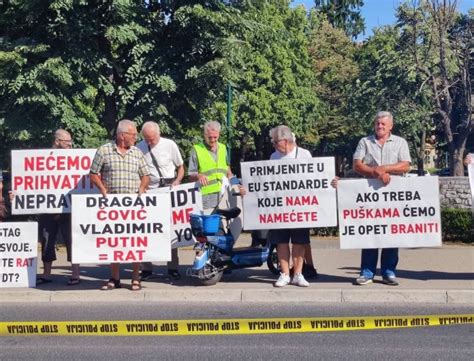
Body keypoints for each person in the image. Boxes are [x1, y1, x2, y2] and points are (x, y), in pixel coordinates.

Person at [90, 119, 150, 291]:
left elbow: (146, 174)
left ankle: (135, 277)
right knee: (114, 242)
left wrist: (142, 187)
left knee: (135, 242)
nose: (135, 137)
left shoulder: (137, 153)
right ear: (122, 135)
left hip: (133, 207)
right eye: (133, 134)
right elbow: (93, 174)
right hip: (113, 207)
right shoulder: (104, 151)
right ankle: (114, 278)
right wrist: (102, 189)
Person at [352, 111, 411, 286]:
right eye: (377, 124)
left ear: (391, 126)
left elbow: (406, 165)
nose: (380, 127)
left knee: (391, 235)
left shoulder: (400, 142)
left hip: (393, 198)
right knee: (370, 234)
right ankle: (367, 273)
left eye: (383, 124)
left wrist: (384, 169)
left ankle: (389, 272)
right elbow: (357, 164)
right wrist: (374, 172)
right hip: (370, 197)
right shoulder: (364, 142)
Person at [30, 129, 81, 285]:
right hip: (47, 209)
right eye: (67, 142)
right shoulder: (43, 158)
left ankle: (75, 274)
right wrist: (17, 195)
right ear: (57, 141)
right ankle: (46, 274)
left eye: (71, 141)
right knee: (46, 241)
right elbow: (30, 181)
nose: (70, 145)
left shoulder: (75, 159)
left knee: (72, 240)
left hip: (69, 208)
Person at [137, 121, 185, 281]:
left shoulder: (170, 145)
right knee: (147, 229)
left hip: (168, 187)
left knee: (171, 229)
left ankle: (172, 267)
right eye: (147, 139)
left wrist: (178, 181)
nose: (149, 142)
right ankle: (146, 268)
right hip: (150, 190)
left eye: (152, 139)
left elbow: (181, 167)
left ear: (159, 134)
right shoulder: (139, 147)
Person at [268, 125, 311, 287]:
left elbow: (316, 178)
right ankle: (285, 274)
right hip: (280, 208)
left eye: (275, 142)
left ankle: (298, 274)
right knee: (281, 241)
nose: (274, 145)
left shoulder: (305, 155)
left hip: (300, 207)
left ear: (285, 141)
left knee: (300, 241)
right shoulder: (274, 157)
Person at [188, 121, 232, 212]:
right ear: (204, 135)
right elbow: (191, 174)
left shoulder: (223, 148)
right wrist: (199, 176)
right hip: (206, 198)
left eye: (215, 137)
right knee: (209, 225)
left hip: (224, 196)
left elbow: (227, 170)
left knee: (223, 225)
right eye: (209, 137)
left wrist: (233, 182)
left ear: (219, 134)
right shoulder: (197, 149)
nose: (212, 140)